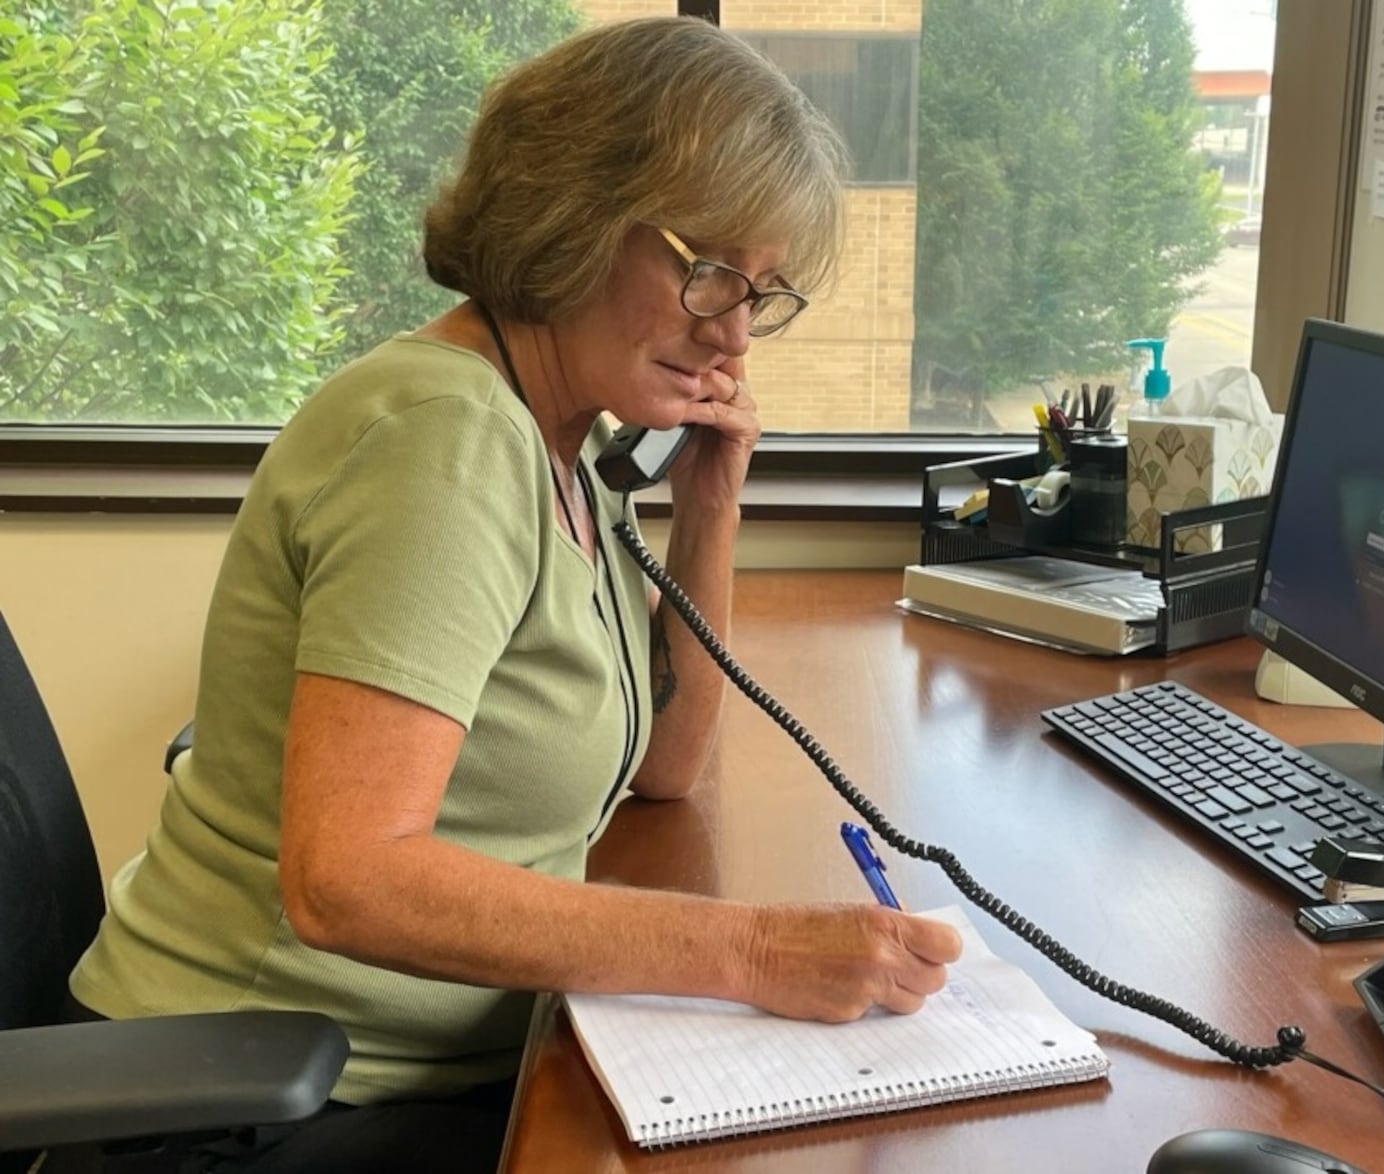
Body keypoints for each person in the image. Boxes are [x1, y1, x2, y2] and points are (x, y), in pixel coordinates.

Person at [66, 15, 963, 1173]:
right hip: (246, 1105)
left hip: (402, 1067)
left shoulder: (567, 442)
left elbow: (665, 767)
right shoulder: (444, 441)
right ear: (574, 214)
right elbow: (348, 880)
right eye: (709, 275)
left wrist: (711, 502)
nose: (736, 335)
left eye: (762, 294)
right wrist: (749, 952)